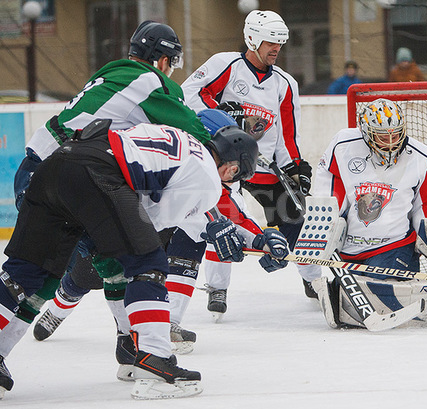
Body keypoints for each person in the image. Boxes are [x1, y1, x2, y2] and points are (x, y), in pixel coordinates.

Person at [0, 20, 211, 389]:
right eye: (171, 63)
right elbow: (195, 135)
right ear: (162, 59)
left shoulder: (108, 77)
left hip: (36, 173)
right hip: (74, 174)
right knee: (141, 257)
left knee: (40, 275)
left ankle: (127, 348)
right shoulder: (151, 82)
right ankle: (141, 350)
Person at [0, 117, 265, 399]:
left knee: (26, 274)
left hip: (56, 165)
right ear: (232, 168)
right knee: (148, 263)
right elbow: (152, 222)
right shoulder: (208, 177)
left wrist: (237, 234)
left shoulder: (181, 137)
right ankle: (154, 361)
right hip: (97, 175)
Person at [181, 10, 322, 319]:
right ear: (252, 38)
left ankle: (315, 282)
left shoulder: (285, 83)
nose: (276, 49)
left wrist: (295, 166)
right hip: (224, 163)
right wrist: (220, 112)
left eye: (280, 44)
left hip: (263, 166)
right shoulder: (225, 65)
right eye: (271, 42)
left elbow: (287, 133)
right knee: (223, 220)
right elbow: (188, 95)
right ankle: (217, 287)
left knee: (294, 219)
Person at [311, 98, 427, 329]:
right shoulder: (343, 145)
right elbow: (329, 184)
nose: (390, 143)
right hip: (349, 248)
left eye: (395, 135)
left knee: (381, 292)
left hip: (394, 246)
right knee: (356, 300)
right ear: (366, 133)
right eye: (382, 137)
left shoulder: (422, 156)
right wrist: (329, 220)